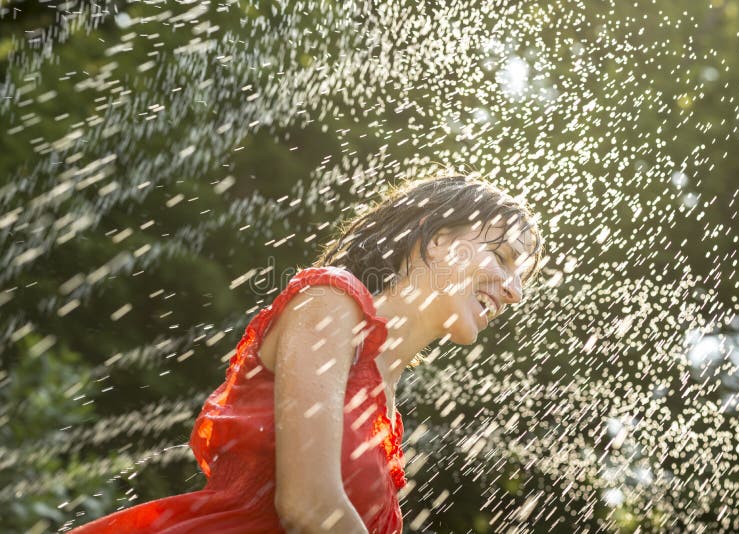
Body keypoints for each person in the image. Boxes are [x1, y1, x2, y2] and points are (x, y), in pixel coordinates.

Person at [70, 174, 542, 533]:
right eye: (502, 258)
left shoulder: (387, 411)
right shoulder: (330, 302)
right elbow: (308, 506)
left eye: (522, 275)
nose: (516, 291)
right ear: (438, 240)